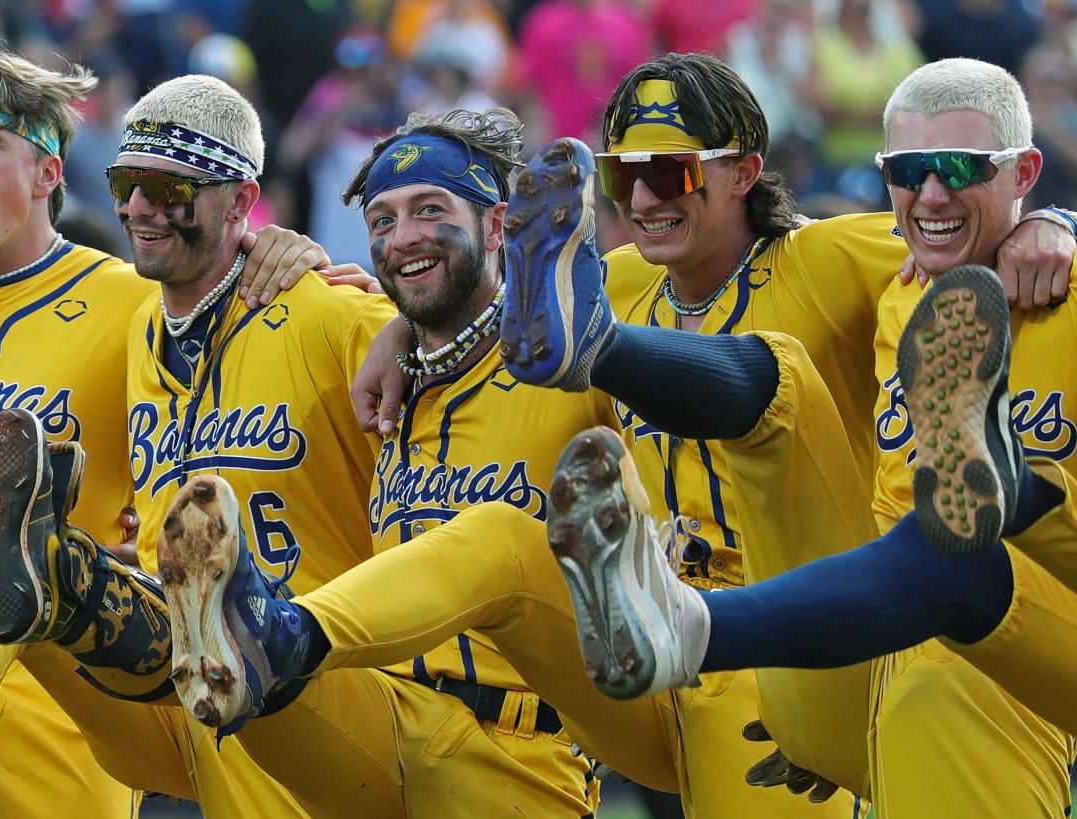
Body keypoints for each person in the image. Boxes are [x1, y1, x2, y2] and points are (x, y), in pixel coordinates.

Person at [344, 53, 1077, 817]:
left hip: (822, 633)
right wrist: (398, 328)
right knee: (497, 544)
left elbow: (964, 230)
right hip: (666, 646)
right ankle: (287, 640)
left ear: (744, 172)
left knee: (783, 386)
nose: (646, 195)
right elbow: (482, 300)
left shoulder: (831, 259)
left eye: (673, 171)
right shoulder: (619, 283)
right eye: (622, 175)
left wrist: (1056, 223)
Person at [0, 106, 608, 818]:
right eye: (383, 221)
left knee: (486, 546)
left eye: (431, 209)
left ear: (497, 226)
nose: (403, 239)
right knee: (66, 626)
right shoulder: (388, 365)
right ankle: (68, 590)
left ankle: (251, 625)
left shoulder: (556, 364)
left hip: (512, 739)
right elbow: (427, 314)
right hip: (361, 715)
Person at [0, 40, 339, 819]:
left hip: (51, 678)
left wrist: (298, 257)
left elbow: (239, 290)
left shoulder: (131, 298)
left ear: (49, 172)